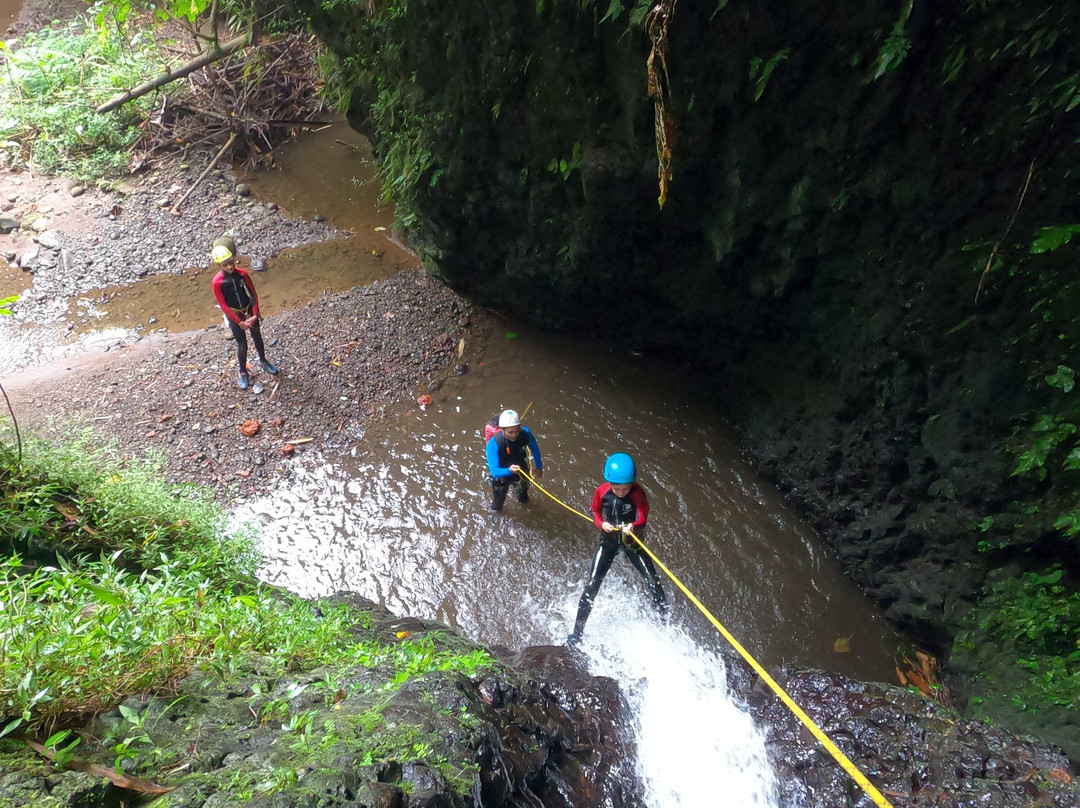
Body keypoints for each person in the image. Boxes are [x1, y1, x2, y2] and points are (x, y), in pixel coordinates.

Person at [567, 452, 667, 646]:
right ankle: (576, 635)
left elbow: (643, 516)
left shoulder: (638, 494)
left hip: (632, 541)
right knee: (591, 586)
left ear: (632, 484)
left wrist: (634, 526)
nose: (621, 492)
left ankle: (664, 627)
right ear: (610, 483)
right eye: (617, 489)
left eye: (625, 489)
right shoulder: (602, 492)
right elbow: (595, 511)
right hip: (609, 540)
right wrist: (601, 524)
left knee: (653, 582)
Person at [210, 238, 278, 389]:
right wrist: (239, 322)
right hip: (235, 315)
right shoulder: (217, 282)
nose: (229, 267)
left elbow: (253, 294)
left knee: (257, 336)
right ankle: (242, 371)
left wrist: (254, 314)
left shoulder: (242, 274)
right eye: (225, 265)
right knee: (242, 344)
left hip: (248, 309)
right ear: (219, 265)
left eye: (231, 263)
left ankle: (263, 360)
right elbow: (223, 304)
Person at [485, 409, 543, 511]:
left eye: (516, 431)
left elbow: (534, 448)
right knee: (497, 506)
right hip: (502, 474)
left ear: (520, 427)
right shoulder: (493, 444)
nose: (514, 435)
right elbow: (494, 471)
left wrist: (539, 467)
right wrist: (509, 470)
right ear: (502, 430)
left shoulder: (525, 434)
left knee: (523, 498)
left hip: (520, 469)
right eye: (510, 432)